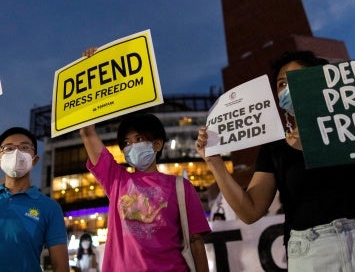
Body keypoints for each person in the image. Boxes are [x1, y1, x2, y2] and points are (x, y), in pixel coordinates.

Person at [195, 50, 355, 271]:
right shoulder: (275, 148)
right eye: (281, 84)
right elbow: (250, 211)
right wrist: (214, 162)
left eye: (296, 79)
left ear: (320, 81)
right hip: (313, 254)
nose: (287, 89)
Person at [80, 48, 210, 271]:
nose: (131, 146)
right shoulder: (116, 181)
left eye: (138, 138)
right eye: (127, 143)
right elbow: (87, 133)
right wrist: (89, 70)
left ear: (157, 144)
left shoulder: (181, 187)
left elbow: (196, 242)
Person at [0, 127, 69, 272]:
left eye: (24, 147)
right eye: (8, 148)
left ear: (35, 160)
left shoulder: (50, 208)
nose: (16, 153)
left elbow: (61, 267)